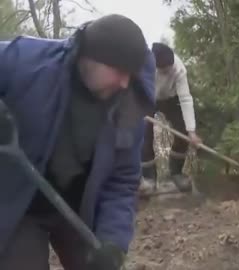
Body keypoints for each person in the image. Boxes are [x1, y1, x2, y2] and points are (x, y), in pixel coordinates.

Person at [0, 14, 155, 270]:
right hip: (19, 205)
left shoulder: (129, 104)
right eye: (120, 70)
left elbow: (122, 181)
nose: (125, 82)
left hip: (80, 210)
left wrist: (113, 243)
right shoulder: (29, 63)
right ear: (90, 58)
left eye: (131, 73)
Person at [141, 42, 201, 192]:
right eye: (164, 71)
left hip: (171, 98)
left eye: (170, 69)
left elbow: (186, 99)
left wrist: (192, 131)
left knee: (183, 133)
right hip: (148, 97)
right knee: (144, 135)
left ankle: (176, 173)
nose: (168, 72)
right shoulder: (144, 66)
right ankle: (148, 179)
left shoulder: (179, 69)